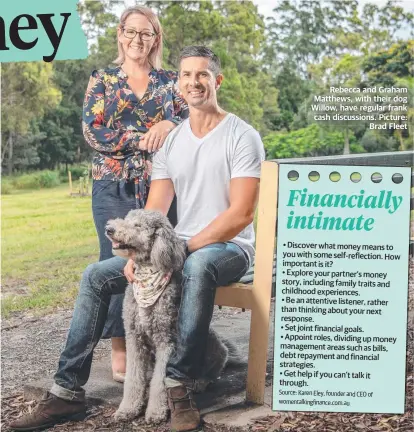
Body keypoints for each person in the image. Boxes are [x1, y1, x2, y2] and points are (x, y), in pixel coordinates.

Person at [9, 46, 265, 432]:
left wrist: (181, 249)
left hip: (230, 247)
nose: (194, 82)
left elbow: (241, 214)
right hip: (175, 245)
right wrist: (135, 249)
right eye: (186, 75)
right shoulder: (171, 142)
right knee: (97, 275)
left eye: (202, 75)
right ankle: (66, 393)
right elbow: (155, 209)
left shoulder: (242, 136)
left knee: (197, 265)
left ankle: (178, 388)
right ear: (177, 82)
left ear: (217, 80)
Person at [83, 5, 188, 382]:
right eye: (131, 31)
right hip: (113, 185)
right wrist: (147, 138)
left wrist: (168, 122)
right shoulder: (103, 80)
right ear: (120, 33)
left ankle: (163, 344)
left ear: (155, 38)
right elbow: (94, 132)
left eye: (146, 33)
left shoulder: (170, 80)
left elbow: (191, 119)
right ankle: (121, 349)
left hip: (163, 185)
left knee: (160, 263)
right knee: (115, 265)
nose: (137, 40)